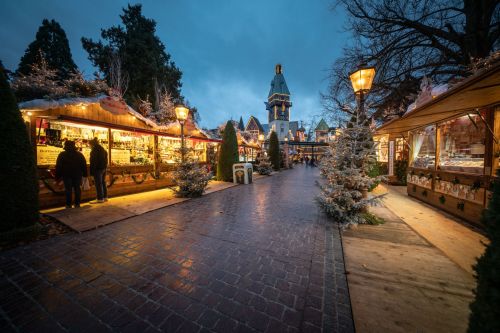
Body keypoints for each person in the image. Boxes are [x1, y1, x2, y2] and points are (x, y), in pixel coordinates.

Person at [55, 140, 87, 208]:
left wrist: (57, 176)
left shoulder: (62, 155)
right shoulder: (79, 154)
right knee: (77, 189)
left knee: (68, 190)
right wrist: (85, 174)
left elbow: (58, 166)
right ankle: (77, 204)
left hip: (67, 175)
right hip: (77, 175)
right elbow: (84, 165)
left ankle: (68, 204)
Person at [89, 138, 108, 203]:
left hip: (97, 169)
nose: (89, 146)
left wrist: (91, 173)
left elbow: (93, 162)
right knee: (103, 182)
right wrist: (105, 167)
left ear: (92, 144)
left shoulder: (94, 151)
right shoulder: (103, 150)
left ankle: (100, 198)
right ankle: (105, 197)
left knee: (98, 184)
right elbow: (106, 160)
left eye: (89, 145)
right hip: (103, 168)